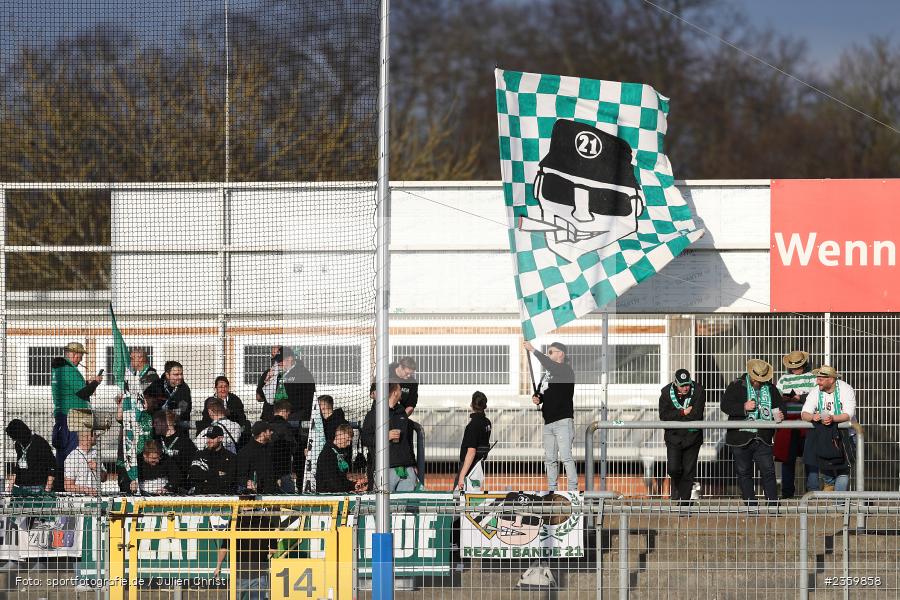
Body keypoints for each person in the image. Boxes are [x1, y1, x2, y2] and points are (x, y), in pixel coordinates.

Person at [721, 359, 786, 505]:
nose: (759, 382)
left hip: (763, 437)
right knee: (744, 472)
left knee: (769, 471)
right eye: (757, 379)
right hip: (740, 437)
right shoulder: (736, 385)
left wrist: (781, 414)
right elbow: (725, 405)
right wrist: (743, 407)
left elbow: (780, 406)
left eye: (762, 379)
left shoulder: (770, 388)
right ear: (750, 375)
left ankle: (773, 506)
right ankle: (751, 506)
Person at [523, 340, 577, 492]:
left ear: (561, 354)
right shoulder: (547, 374)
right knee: (550, 459)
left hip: (562, 421)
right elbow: (541, 392)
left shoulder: (565, 370)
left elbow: (549, 364)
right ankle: (552, 490)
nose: (548, 354)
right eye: (548, 352)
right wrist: (537, 397)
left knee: (566, 457)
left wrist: (533, 350)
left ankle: (572, 491)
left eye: (551, 352)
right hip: (548, 422)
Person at [51, 342, 102, 482]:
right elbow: (83, 393)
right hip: (74, 415)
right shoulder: (69, 370)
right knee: (74, 451)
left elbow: (74, 389)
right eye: (80, 356)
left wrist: (88, 383)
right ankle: (71, 484)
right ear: (73, 354)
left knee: (63, 450)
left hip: (64, 415)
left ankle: (61, 484)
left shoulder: (59, 370)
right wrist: (96, 382)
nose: (80, 360)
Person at [801, 366, 856, 492]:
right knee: (826, 468)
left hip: (845, 436)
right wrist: (813, 417)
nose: (817, 382)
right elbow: (804, 413)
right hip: (825, 436)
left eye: (820, 379)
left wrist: (832, 418)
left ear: (831, 380)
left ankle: (838, 501)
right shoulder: (815, 391)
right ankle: (829, 493)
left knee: (843, 470)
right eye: (817, 379)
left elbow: (849, 414)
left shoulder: (846, 389)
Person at [659, 369, 705, 502]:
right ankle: (678, 490)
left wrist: (676, 417)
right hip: (674, 437)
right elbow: (664, 416)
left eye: (687, 385)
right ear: (675, 383)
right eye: (682, 385)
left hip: (692, 437)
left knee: (688, 471)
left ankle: (684, 504)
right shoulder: (666, 393)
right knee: (673, 469)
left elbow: (696, 415)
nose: (685, 388)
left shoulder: (698, 391)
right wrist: (682, 413)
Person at [774, 350, 816, 499]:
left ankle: (812, 493)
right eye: (792, 367)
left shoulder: (812, 378)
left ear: (803, 365)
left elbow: (817, 396)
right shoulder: (783, 379)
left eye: (797, 366)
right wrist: (783, 399)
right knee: (787, 458)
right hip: (788, 423)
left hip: (807, 422)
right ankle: (787, 493)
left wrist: (800, 398)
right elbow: (775, 396)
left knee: (811, 458)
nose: (794, 369)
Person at [361, 383, 418, 491]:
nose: (402, 392)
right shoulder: (374, 414)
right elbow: (365, 439)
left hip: (406, 469)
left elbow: (408, 441)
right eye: (400, 389)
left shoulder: (402, 413)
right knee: (384, 501)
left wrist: (413, 464)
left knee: (406, 501)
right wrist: (384, 436)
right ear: (395, 393)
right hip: (384, 469)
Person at [256, 347, 316, 423]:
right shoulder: (271, 372)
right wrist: (267, 382)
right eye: (277, 360)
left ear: (290, 359)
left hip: (292, 420)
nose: (278, 363)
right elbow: (260, 397)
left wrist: (293, 417)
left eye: (281, 361)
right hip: (269, 418)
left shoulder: (304, 374)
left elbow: (309, 401)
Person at [454, 391, 492, 492]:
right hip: (479, 465)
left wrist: (461, 476)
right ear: (485, 406)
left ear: (472, 404)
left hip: (469, 466)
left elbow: (471, 451)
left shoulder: (473, 425)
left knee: (458, 496)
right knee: (474, 495)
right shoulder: (487, 423)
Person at [5, 419, 55, 493]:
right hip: (20, 487)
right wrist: (10, 486)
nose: (14, 440)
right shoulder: (18, 444)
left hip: (38, 487)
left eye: (15, 438)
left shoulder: (40, 443)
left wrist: (47, 489)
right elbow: (18, 466)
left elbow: (52, 466)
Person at [152, 409, 195, 492]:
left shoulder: (184, 441)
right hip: (159, 487)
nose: (154, 425)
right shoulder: (157, 441)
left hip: (180, 488)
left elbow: (191, 466)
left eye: (156, 423)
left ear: (166, 423)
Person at [198, 376, 250, 444]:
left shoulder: (235, 400)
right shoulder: (210, 401)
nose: (223, 389)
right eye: (220, 387)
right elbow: (205, 419)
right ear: (215, 388)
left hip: (231, 430)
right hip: (214, 430)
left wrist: (230, 413)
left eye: (225, 386)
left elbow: (242, 417)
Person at [316, 423, 365, 493]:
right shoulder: (328, 453)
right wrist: (348, 490)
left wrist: (354, 485)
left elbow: (341, 479)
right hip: (327, 495)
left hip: (336, 493)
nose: (349, 444)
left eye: (350, 441)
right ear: (339, 434)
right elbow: (332, 481)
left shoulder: (338, 453)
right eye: (347, 440)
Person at [189, 425, 236, 495]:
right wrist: (216, 473)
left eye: (212, 438)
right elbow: (193, 475)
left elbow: (228, 481)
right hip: (201, 495)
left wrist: (205, 479)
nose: (208, 440)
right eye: (208, 437)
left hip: (222, 497)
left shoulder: (231, 457)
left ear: (220, 438)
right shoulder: (199, 454)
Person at [64, 429, 113, 494]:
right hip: (80, 498)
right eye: (95, 434)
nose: (97, 436)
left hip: (96, 497)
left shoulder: (96, 453)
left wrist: (98, 469)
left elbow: (104, 479)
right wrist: (87, 490)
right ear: (89, 436)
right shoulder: (73, 457)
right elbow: (68, 486)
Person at [235, 421, 278, 494]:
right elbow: (240, 475)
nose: (272, 432)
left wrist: (278, 478)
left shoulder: (271, 448)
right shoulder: (246, 451)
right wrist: (247, 482)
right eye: (269, 431)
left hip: (272, 493)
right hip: (255, 494)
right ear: (263, 433)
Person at [147, 361, 192, 429]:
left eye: (181, 374)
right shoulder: (156, 385)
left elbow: (184, 410)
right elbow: (148, 403)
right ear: (167, 375)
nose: (180, 377)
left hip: (177, 427)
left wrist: (170, 414)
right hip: (157, 425)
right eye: (176, 374)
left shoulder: (184, 389)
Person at [267, 400, 299, 493]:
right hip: (283, 469)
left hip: (268, 469)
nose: (288, 415)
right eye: (288, 413)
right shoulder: (286, 427)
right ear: (284, 411)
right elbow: (293, 448)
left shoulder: (266, 426)